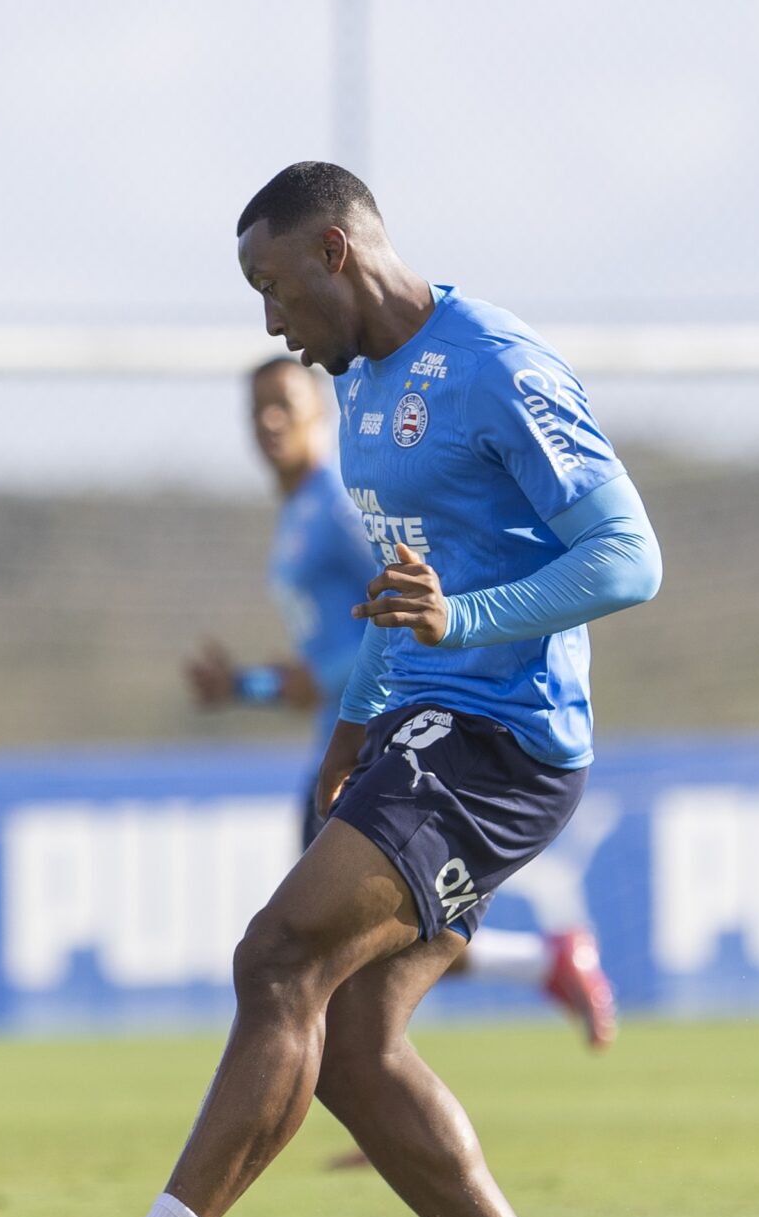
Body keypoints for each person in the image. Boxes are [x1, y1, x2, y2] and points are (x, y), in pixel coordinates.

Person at [42, 163, 662, 1217]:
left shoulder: (498, 363)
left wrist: (467, 616)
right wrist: (350, 728)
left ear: (335, 250)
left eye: (272, 288)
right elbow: (397, 591)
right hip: (420, 728)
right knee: (353, 1042)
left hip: (503, 740)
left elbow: (628, 555)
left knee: (276, 959)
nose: (271, 323)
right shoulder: (368, 391)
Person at [184, 356, 621, 1047]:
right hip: (341, 739)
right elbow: (319, 664)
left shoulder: (335, 507)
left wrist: (317, 679)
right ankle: (523, 984)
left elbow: (396, 605)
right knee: (350, 954)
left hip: (382, 743)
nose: (269, 422)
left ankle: (398, 1090)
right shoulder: (298, 511)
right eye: (257, 409)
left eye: (285, 406)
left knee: (322, 951)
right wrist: (248, 686)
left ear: (319, 414)